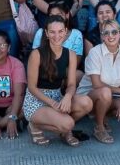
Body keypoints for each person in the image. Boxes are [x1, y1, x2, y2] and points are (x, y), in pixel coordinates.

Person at [24, 16, 92, 146]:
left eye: (60, 31)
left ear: (66, 31)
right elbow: (32, 87)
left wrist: (67, 96)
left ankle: (62, 128)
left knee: (86, 103)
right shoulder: (37, 54)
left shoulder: (71, 54)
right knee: (68, 123)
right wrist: (53, 104)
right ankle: (35, 125)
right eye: (52, 32)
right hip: (36, 100)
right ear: (46, 33)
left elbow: (71, 84)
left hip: (56, 95)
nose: (57, 36)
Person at [78, 20, 120, 144]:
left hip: (110, 95)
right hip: (88, 95)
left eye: (114, 32)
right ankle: (99, 128)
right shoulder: (95, 52)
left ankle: (102, 116)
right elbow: (96, 84)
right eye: (106, 33)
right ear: (102, 36)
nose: (110, 36)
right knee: (105, 92)